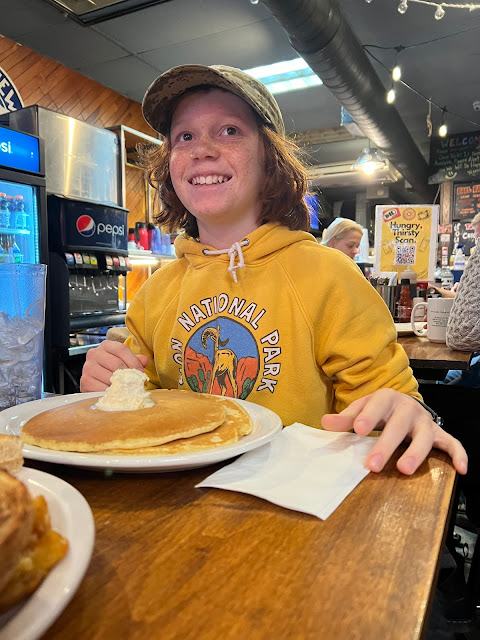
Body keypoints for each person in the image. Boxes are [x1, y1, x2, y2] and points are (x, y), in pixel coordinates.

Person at [80, 63, 466, 478]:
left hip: (297, 499)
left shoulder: (328, 275)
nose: (202, 149)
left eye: (229, 131)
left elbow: (384, 402)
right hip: (176, 503)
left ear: (270, 158)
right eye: (184, 136)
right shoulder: (156, 291)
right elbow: (136, 405)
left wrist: (403, 410)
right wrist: (107, 384)